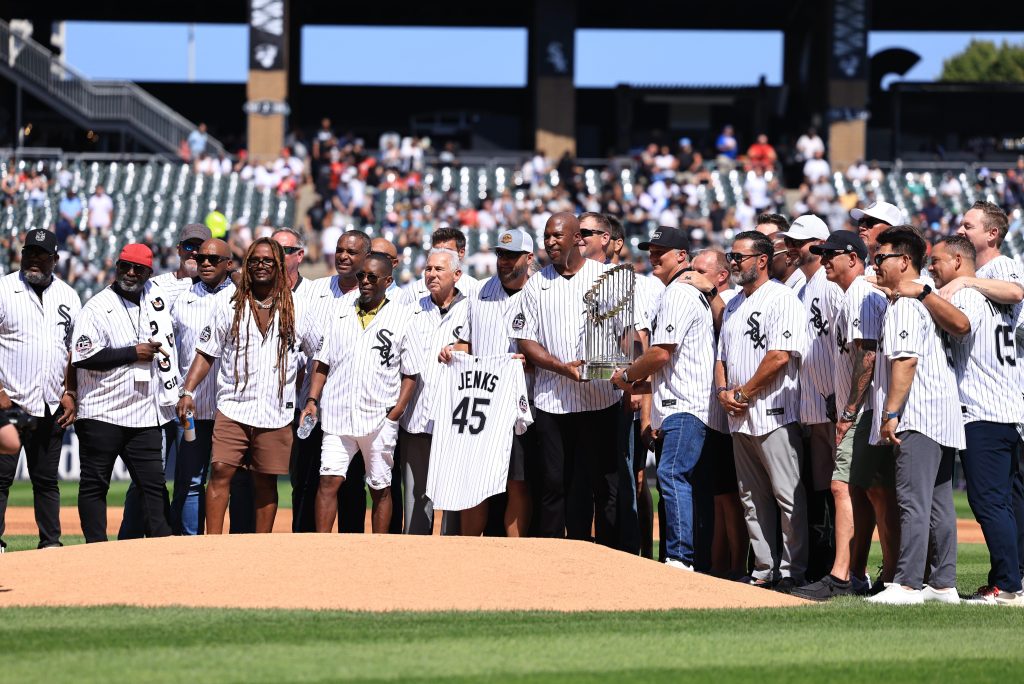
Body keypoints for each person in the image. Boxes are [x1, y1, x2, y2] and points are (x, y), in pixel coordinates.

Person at [176, 238, 320, 534]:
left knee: (265, 481)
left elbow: (319, 356)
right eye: (254, 260)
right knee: (220, 471)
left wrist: (311, 400)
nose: (261, 265)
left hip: (276, 411)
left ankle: (262, 547)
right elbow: (206, 352)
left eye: (268, 260)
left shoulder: (300, 307)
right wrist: (188, 390)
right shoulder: (228, 304)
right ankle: (213, 543)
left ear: (279, 266)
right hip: (233, 406)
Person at [510, 213, 628, 548]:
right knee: (553, 485)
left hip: (600, 399)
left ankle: (609, 556)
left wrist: (621, 370)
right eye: (547, 236)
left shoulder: (607, 278)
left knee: (604, 485)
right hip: (552, 401)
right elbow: (526, 341)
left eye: (557, 235)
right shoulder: (537, 283)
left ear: (577, 238)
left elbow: (627, 338)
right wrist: (563, 368)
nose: (550, 242)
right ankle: (552, 556)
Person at [919, 235, 1023, 604]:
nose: (932, 266)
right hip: (1007, 412)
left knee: (989, 502)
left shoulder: (967, 294)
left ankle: (1008, 586)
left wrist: (927, 296)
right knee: (1005, 502)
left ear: (959, 261)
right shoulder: (997, 301)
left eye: (937, 260)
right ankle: (1008, 579)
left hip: (982, 412)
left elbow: (958, 326)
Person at [866, 227, 966, 605]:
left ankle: (907, 583)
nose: (875, 263)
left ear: (904, 261)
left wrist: (890, 412)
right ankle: (942, 583)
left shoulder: (908, 304)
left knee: (913, 501)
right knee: (939, 503)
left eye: (881, 257)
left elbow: (906, 361)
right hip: (942, 414)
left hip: (917, 413)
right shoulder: (925, 298)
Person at [793, 231, 895, 600]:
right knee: (874, 493)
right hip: (868, 408)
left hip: (865, 409)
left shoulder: (859, 295)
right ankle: (879, 574)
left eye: (830, 255)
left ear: (853, 258)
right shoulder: (854, 294)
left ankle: (841, 576)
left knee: (842, 486)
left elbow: (867, 354)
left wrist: (849, 409)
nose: (823, 261)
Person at [613, 227, 717, 571]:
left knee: (672, 475)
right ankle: (687, 557)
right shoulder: (679, 292)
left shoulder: (678, 293)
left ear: (682, 256)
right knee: (682, 480)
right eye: (651, 250)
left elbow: (660, 353)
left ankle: (680, 557)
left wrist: (627, 377)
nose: (653, 256)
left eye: (662, 251)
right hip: (680, 403)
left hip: (685, 404)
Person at [301, 252, 422, 534]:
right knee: (328, 480)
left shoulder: (403, 316)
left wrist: (396, 412)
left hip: (379, 416)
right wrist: (312, 400)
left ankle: (377, 549)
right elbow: (322, 362)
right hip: (338, 413)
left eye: (372, 277)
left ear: (388, 281)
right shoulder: (340, 309)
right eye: (361, 276)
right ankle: (321, 545)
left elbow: (411, 373)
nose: (365, 281)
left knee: (380, 487)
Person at [715, 231, 808, 591]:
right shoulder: (734, 303)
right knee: (751, 499)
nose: (733, 263)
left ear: (762, 260)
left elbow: (779, 356)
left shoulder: (782, 298)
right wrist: (723, 392)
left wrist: (743, 392)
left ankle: (791, 570)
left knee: (787, 496)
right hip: (740, 416)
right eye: (731, 256)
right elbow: (721, 358)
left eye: (739, 257)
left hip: (774, 411)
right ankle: (764, 568)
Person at [72, 244, 176, 542]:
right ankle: (96, 548)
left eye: (138, 268)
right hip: (101, 411)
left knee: (153, 485)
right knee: (95, 484)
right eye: (124, 266)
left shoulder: (156, 298)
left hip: (144, 412)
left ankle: (163, 545)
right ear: (116, 267)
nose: (130, 273)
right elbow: (82, 355)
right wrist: (133, 353)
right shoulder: (96, 306)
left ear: (149, 273)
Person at [451, 228, 536, 536]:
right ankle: (469, 550)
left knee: (517, 482)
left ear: (528, 258)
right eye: (501, 254)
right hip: (482, 402)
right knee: (475, 481)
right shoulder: (479, 291)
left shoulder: (539, 292)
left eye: (511, 255)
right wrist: (453, 353)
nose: (504, 261)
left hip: (521, 403)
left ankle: (513, 553)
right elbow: (464, 342)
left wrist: (531, 362)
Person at [0, 229, 80, 552]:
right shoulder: (4, 289)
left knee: (46, 480)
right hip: (8, 402)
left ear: (55, 259)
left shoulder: (69, 296)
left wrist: (70, 391)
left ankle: (50, 542)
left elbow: (74, 351)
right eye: (29, 252)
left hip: (50, 403)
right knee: (1, 478)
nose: (34, 259)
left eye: (41, 254)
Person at [169, 239, 254, 535]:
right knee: (190, 480)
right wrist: (180, 392)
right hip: (192, 407)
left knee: (238, 480)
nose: (205, 263)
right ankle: (191, 543)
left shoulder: (242, 296)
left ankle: (240, 543)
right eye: (201, 258)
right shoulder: (182, 299)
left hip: (231, 408)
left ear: (228, 264)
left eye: (213, 259)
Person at [292, 230, 372, 534]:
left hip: (352, 408)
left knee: (351, 486)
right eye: (340, 250)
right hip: (312, 406)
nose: (343, 256)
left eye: (351, 252)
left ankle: (351, 547)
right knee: (306, 482)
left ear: (366, 257)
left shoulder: (373, 296)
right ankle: (304, 546)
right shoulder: (315, 290)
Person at [781, 215, 844, 581]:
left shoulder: (830, 285)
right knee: (820, 487)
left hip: (834, 403)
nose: (792, 247)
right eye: (789, 242)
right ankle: (823, 564)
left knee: (842, 488)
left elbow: (847, 346)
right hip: (813, 406)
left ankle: (846, 568)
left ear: (820, 244)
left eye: (799, 242)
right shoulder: (802, 288)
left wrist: (843, 395)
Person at [399, 249, 469, 534]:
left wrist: (464, 349)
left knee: (454, 498)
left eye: (439, 269)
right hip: (416, 416)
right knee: (416, 500)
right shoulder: (411, 309)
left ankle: (450, 554)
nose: (431, 274)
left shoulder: (472, 308)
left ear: (457, 274)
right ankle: (415, 554)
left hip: (455, 419)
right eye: (428, 269)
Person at [690, 248, 749, 578]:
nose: (693, 275)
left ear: (721, 275)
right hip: (712, 412)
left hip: (728, 414)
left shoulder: (728, 300)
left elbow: (724, 322)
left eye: (701, 270)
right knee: (716, 496)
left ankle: (737, 565)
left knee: (729, 497)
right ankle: (717, 566)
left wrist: (710, 292)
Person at [398, 227, 480, 305]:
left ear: (461, 253)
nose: (440, 255)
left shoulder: (474, 289)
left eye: (447, 251)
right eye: (436, 251)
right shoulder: (414, 291)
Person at [151, 223, 211, 305]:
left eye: (200, 247)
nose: (194, 252)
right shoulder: (157, 285)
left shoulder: (218, 292)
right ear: (178, 250)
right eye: (188, 246)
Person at [850, 201, 903, 274]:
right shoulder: (855, 271)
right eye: (861, 221)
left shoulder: (903, 271)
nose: (861, 227)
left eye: (870, 222)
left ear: (891, 229)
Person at [271, 227, 316, 300]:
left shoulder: (313, 294)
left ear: (300, 255)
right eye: (273, 249)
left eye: (284, 250)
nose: (277, 254)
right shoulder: (257, 293)